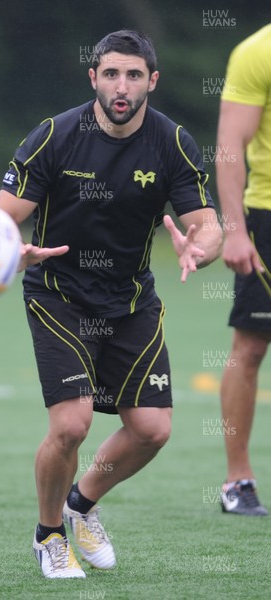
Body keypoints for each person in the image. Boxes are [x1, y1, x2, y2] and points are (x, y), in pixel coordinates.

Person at [0, 30, 222, 578]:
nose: (123, 87)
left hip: (130, 299)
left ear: (152, 81)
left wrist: (202, 247)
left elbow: (208, 225)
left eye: (135, 75)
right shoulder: (55, 135)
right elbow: (1, 217)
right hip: (58, 296)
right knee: (71, 426)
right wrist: (11, 251)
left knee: (153, 429)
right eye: (112, 74)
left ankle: (81, 505)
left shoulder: (172, 143)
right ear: (93, 76)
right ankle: (49, 535)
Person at [216, 24, 271, 516]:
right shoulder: (257, 51)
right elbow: (231, 142)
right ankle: (238, 481)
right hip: (267, 215)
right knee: (251, 345)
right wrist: (234, 229)